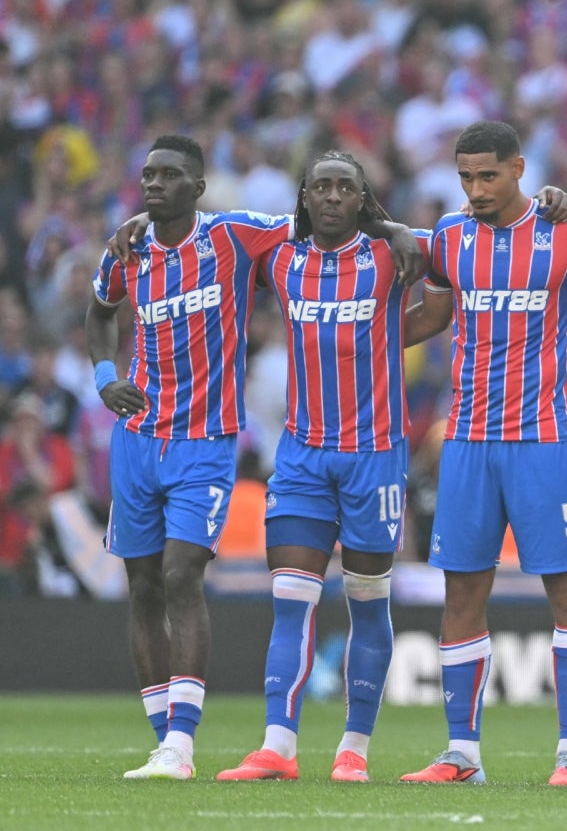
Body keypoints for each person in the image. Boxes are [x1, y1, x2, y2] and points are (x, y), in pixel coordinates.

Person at [216, 153, 567, 782]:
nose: (332, 196)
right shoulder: (277, 254)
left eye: (346, 188)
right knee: (290, 599)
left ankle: (354, 747)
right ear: (304, 196)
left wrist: (552, 201)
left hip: (375, 457)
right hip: (301, 456)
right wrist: (136, 222)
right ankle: (278, 744)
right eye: (321, 187)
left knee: (366, 600)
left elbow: (471, 246)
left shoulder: (396, 255)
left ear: (363, 199)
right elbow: (193, 228)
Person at [88, 135, 421, 781]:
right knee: (143, 583)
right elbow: (99, 312)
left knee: (183, 573)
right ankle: (173, 741)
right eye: (148, 175)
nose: (155, 184)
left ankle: (210, 742)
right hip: (139, 436)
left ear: (200, 186)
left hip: (211, 439)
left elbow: (331, 216)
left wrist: (398, 226)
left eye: (170, 175)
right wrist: (106, 376)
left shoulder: (240, 237)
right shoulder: (128, 250)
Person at [398, 121, 567, 787]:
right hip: (468, 443)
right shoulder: (449, 240)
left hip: (544, 441)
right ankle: (462, 754)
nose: (475, 190)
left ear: (518, 170)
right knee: (462, 593)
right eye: (465, 178)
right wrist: (353, 329)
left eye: (487, 176)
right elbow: (429, 318)